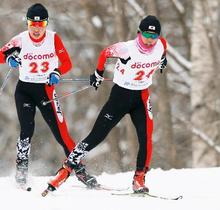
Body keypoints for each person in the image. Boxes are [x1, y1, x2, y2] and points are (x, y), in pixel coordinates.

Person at [45, 15, 167, 193]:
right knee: (96, 136)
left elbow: (164, 47)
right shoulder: (126, 48)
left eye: (153, 37)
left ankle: (139, 178)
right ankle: (65, 170)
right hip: (120, 96)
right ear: (139, 33)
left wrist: (164, 59)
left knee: (146, 137)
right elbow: (105, 53)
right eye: (146, 35)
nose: (150, 40)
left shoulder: (161, 44)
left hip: (142, 97)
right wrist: (98, 73)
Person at [0, 3, 98, 188]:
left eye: (41, 25)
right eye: (32, 24)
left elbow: (67, 62)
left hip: (46, 91)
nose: (36, 29)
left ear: (46, 24)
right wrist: (9, 58)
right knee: (26, 130)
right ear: (28, 23)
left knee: (62, 134)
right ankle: (21, 170)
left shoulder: (53, 38)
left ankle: (80, 170)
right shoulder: (20, 40)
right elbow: (0, 54)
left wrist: (57, 72)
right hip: (25, 91)